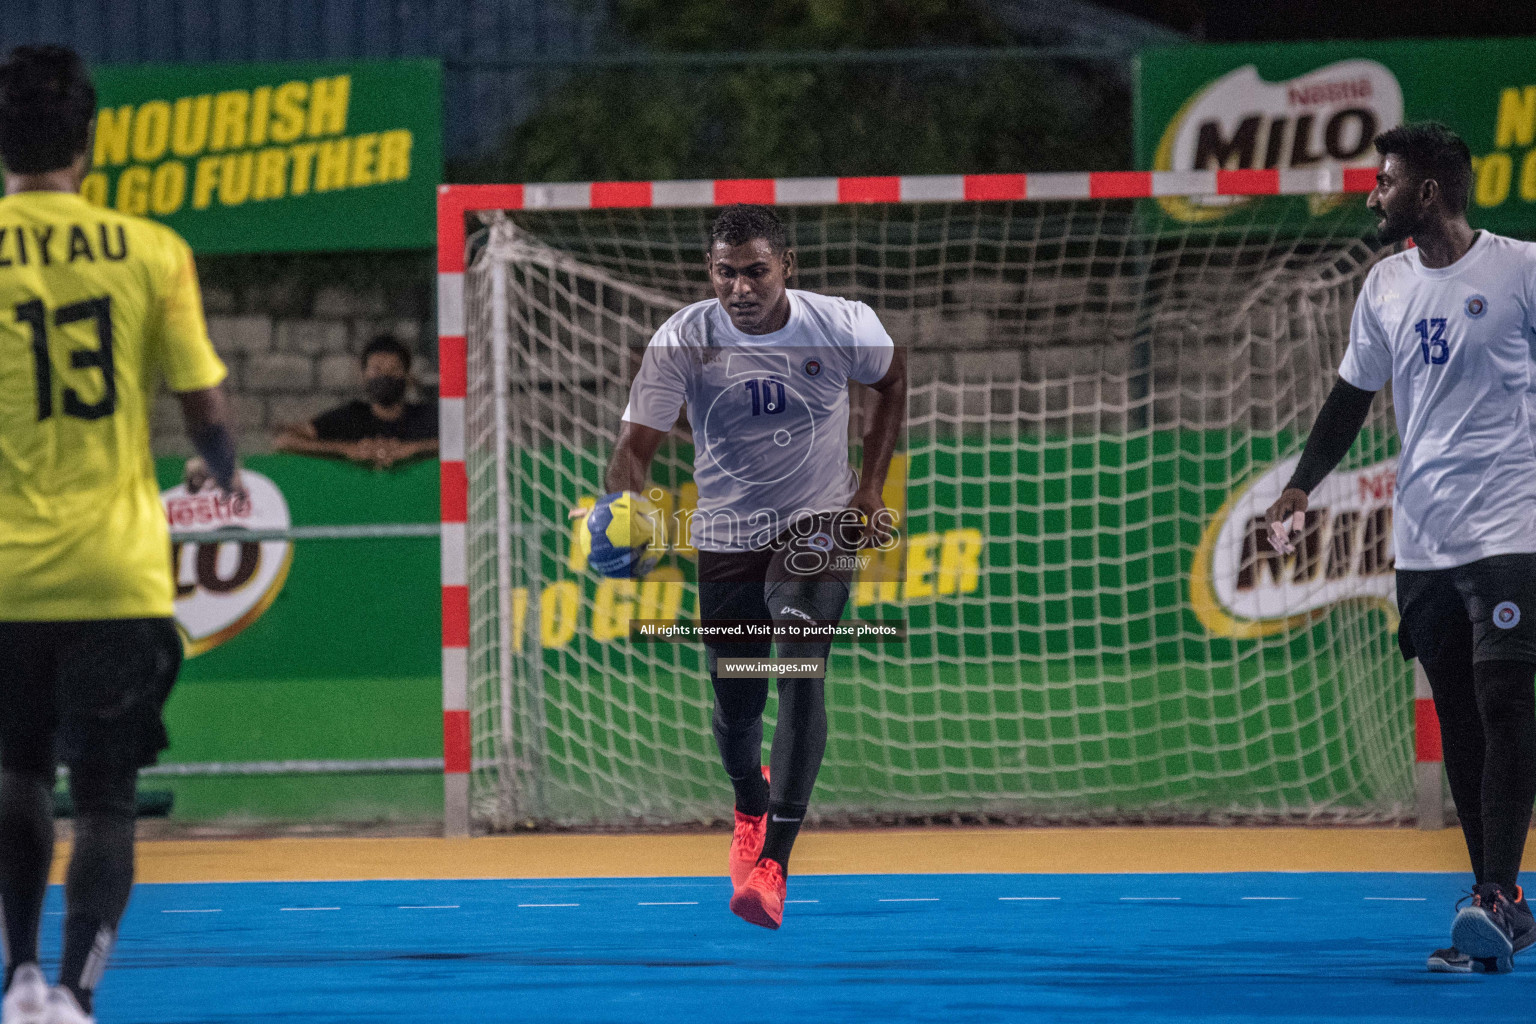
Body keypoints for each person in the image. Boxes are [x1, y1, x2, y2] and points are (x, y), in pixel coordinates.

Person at [0, 46, 242, 1024]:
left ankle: (18, 978)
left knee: (15, 773)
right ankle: (77, 994)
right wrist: (219, 473)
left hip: (5, 578)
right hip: (118, 573)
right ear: (90, 141)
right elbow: (208, 412)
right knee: (104, 798)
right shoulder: (150, 251)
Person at [1264, 122, 1536, 974]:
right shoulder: (1383, 286)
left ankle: (1494, 893)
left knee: (1504, 703)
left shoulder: (1522, 269)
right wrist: (1301, 486)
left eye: (1383, 182)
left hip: (1510, 530)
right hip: (1422, 541)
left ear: (1426, 193)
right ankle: (1502, 900)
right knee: (1460, 717)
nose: (1370, 195)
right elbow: (1350, 397)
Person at [604, 204, 906, 929]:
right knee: (737, 701)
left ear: (787, 267)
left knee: (801, 671)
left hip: (818, 523)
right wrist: (624, 510)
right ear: (711, 271)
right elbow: (634, 451)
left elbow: (892, 382)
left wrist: (869, 488)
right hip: (729, 532)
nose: (742, 287)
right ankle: (748, 797)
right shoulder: (682, 339)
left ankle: (774, 864)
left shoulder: (841, 324)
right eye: (726, 272)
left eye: (757, 271)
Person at [273, 334, 437, 469]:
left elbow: (460, 442)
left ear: (407, 376)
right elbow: (285, 440)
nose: (385, 376)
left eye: (394, 370)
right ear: (363, 375)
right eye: (376, 369)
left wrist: (414, 450)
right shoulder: (350, 417)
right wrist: (348, 450)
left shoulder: (427, 417)